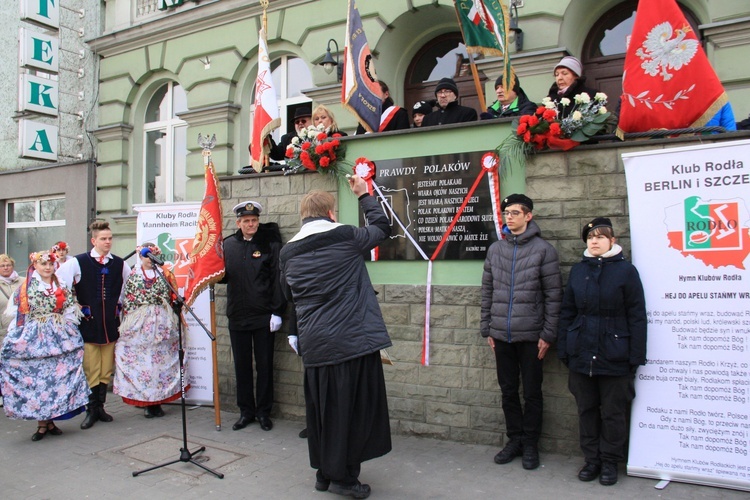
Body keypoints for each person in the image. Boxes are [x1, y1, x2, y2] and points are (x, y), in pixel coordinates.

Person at [279, 179, 392, 499]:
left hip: (315, 345)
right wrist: (363, 195)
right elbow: (383, 226)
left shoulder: (287, 253)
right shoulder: (344, 235)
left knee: (324, 411)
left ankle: (324, 473)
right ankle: (344, 478)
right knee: (352, 412)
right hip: (351, 340)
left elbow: (287, 294)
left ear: (303, 217)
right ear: (330, 212)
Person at [557, 218, 647, 486]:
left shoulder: (626, 272)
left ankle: (609, 461)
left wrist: (636, 356)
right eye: (590, 237)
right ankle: (592, 460)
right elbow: (567, 312)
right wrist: (565, 348)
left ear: (613, 240)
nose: (594, 241)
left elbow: (637, 316)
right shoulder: (577, 271)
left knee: (613, 412)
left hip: (615, 355)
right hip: (582, 354)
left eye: (600, 236)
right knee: (586, 409)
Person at [480, 194, 562, 471]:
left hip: (531, 337)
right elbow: (488, 291)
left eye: (515, 213)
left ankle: (530, 444)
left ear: (529, 216)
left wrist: (548, 334)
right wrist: (487, 328)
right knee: (508, 391)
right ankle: (514, 440)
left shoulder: (544, 250)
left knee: (533, 393)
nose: (509, 217)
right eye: (506, 213)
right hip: (501, 334)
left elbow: (553, 296)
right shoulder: (495, 250)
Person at [1, 250, 89, 441]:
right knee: (37, 379)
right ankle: (42, 423)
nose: (48, 268)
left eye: (50, 264)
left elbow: (68, 309)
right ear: (35, 267)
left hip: (57, 334)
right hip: (35, 336)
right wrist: (16, 336)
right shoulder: (27, 287)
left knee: (55, 379)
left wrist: (71, 329)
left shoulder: (61, 285)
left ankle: (51, 421)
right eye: (43, 265)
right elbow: (16, 312)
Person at [57, 220, 131, 430]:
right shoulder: (78, 262)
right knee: (91, 368)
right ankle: (91, 409)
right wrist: (73, 305)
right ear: (93, 240)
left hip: (110, 324)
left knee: (106, 368)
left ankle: (100, 407)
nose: (108, 242)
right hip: (89, 324)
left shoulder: (119, 264)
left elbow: (127, 289)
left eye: (109, 238)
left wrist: (121, 308)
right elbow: (60, 286)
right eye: (103, 239)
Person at [223, 201, 286, 432]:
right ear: (238, 223)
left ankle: (263, 412)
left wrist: (277, 311)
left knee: (265, 365)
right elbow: (222, 276)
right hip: (237, 315)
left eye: (254, 220)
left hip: (263, 316)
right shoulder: (228, 245)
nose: (251, 224)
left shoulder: (269, 244)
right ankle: (245, 412)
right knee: (242, 366)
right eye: (246, 221)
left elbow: (277, 278)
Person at [113, 243, 182, 418]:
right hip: (139, 322)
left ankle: (157, 401)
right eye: (146, 256)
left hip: (161, 322)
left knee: (160, 362)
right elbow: (124, 297)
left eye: (153, 256)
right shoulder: (132, 273)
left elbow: (173, 294)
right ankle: (145, 400)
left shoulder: (164, 273)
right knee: (142, 363)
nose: (149, 260)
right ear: (140, 257)